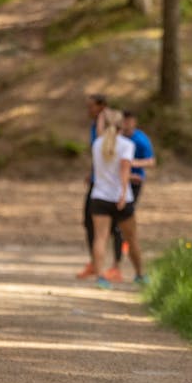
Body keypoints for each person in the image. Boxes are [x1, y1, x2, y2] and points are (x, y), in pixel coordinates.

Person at [89, 109, 145, 288]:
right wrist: (122, 193)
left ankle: (100, 277)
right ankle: (140, 274)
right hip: (121, 198)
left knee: (100, 238)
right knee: (131, 237)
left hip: (99, 196)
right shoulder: (126, 145)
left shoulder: (97, 144)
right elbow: (124, 170)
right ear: (122, 125)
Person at [76, 94, 125, 281]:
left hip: (112, 186)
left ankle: (115, 266)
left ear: (102, 107)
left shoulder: (108, 128)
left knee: (115, 227)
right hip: (98, 182)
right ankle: (96, 264)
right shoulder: (94, 127)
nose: (89, 110)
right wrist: (93, 172)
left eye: (91, 107)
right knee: (90, 223)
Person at [121, 110, 156, 284]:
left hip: (134, 183)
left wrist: (132, 164)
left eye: (129, 120)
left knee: (126, 221)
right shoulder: (116, 138)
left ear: (134, 121)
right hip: (117, 183)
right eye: (124, 121)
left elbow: (151, 161)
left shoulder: (141, 139)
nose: (126, 124)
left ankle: (135, 267)